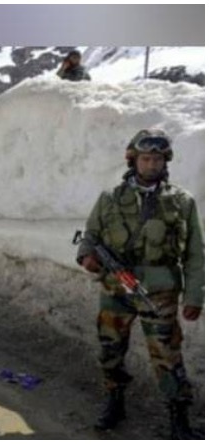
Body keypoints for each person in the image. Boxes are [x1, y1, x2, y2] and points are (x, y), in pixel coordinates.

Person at [76, 129, 203, 439]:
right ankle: (114, 401)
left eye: (157, 159)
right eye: (146, 158)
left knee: (167, 353)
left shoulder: (181, 202)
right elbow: (90, 235)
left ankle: (178, 414)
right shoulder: (110, 198)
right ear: (133, 160)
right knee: (110, 349)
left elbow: (195, 253)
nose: (151, 165)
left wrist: (194, 296)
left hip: (159, 292)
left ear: (165, 161)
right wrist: (87, 257)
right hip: (115, 289)